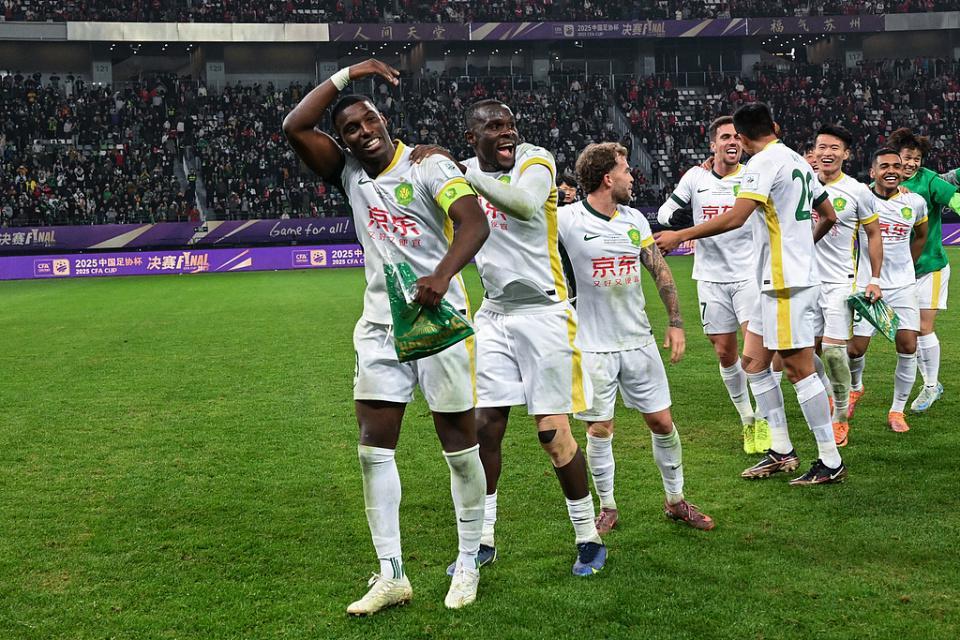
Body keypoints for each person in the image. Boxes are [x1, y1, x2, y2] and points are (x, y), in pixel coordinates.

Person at [282, 59, 490, 613]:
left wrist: (442, 275)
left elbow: (474, 223)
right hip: (379, 326)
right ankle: (392, 574)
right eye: (350, 128)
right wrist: (351, 74)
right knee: (373, 450)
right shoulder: (349, 173)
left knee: (459, 447)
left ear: (385, 121)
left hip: (440, 322)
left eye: (369, 120)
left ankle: (468, 561)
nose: (362, 132)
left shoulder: (428, 165)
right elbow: (295, 126)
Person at [412, 99, 605, 576]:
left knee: (552, 434)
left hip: (545, 314)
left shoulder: (534, 159)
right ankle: (482, 538)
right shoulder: (461, 175)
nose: (507, 133)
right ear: (472, 137)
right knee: (484, 430)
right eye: (494, 126)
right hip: (495, 316)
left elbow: (523, 205)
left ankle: (588, 536)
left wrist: (464, 174)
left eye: (510, 125)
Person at [656, 102, 850, 486]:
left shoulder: (761, 163)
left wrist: (681, 235)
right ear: (774, 126)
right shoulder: (796, 160)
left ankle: (830, 460)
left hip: (784, 283)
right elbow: (829, 215)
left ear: (743, 139)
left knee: (798, 369)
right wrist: (803, 248)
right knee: (754, 364)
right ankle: (781, 449)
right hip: (773, 280)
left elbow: (736, 216)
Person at [562, 142, 715, 534]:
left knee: (662, 422)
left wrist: (676, 321)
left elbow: (659, 269)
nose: (632, 177)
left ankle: (676, 500)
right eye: (626, 170)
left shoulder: (634, 220)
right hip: (592, 345)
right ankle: (607, 507)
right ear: (607, 177)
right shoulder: (567, 220)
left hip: (639, 341)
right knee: (599, 429)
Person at [657, 115, 770, 456]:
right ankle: (747, 418)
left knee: (755, 355)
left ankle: (765, 419)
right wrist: (682, 219)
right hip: (710, 278)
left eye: (737, 137)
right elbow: (664, 214)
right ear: (713, 145)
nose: (732, 142)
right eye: (725, 137)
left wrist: (686, 233)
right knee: (725, 353)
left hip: (749, 275)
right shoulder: (696, 177)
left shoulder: (753, 175)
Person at [874, 128, 959, 413]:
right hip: (897, 274)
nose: (912, 163)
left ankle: (931, 386)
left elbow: (955, 201)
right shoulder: (879, 186)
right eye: (907, 157)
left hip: (930, 266)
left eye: (917, 159)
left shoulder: (928, 179)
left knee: (923, 328)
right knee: (906, 332)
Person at [810, 124, 883, 447]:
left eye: (834, 148)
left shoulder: (857, 191)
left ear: (846, 154)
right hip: (802, 280)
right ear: (813, 151)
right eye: (822, 147)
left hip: (840, 281)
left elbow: (874, 234)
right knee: (800, 354)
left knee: (834, 352)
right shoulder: (802, 184)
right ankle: (830, 393)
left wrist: (875, 279)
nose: (827, 153)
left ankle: (840, 415)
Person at [847, 148, 928, 433]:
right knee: (855, 349)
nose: (891, 170)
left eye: (896, 165)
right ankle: (855, 387)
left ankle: (897, 410)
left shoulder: (914, 202)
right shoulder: (860, 199)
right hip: (866, 284)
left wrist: (908, 267)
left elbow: (921, 235)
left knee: (908, 346)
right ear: (873, 172)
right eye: (884, 166)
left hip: (902, 286)